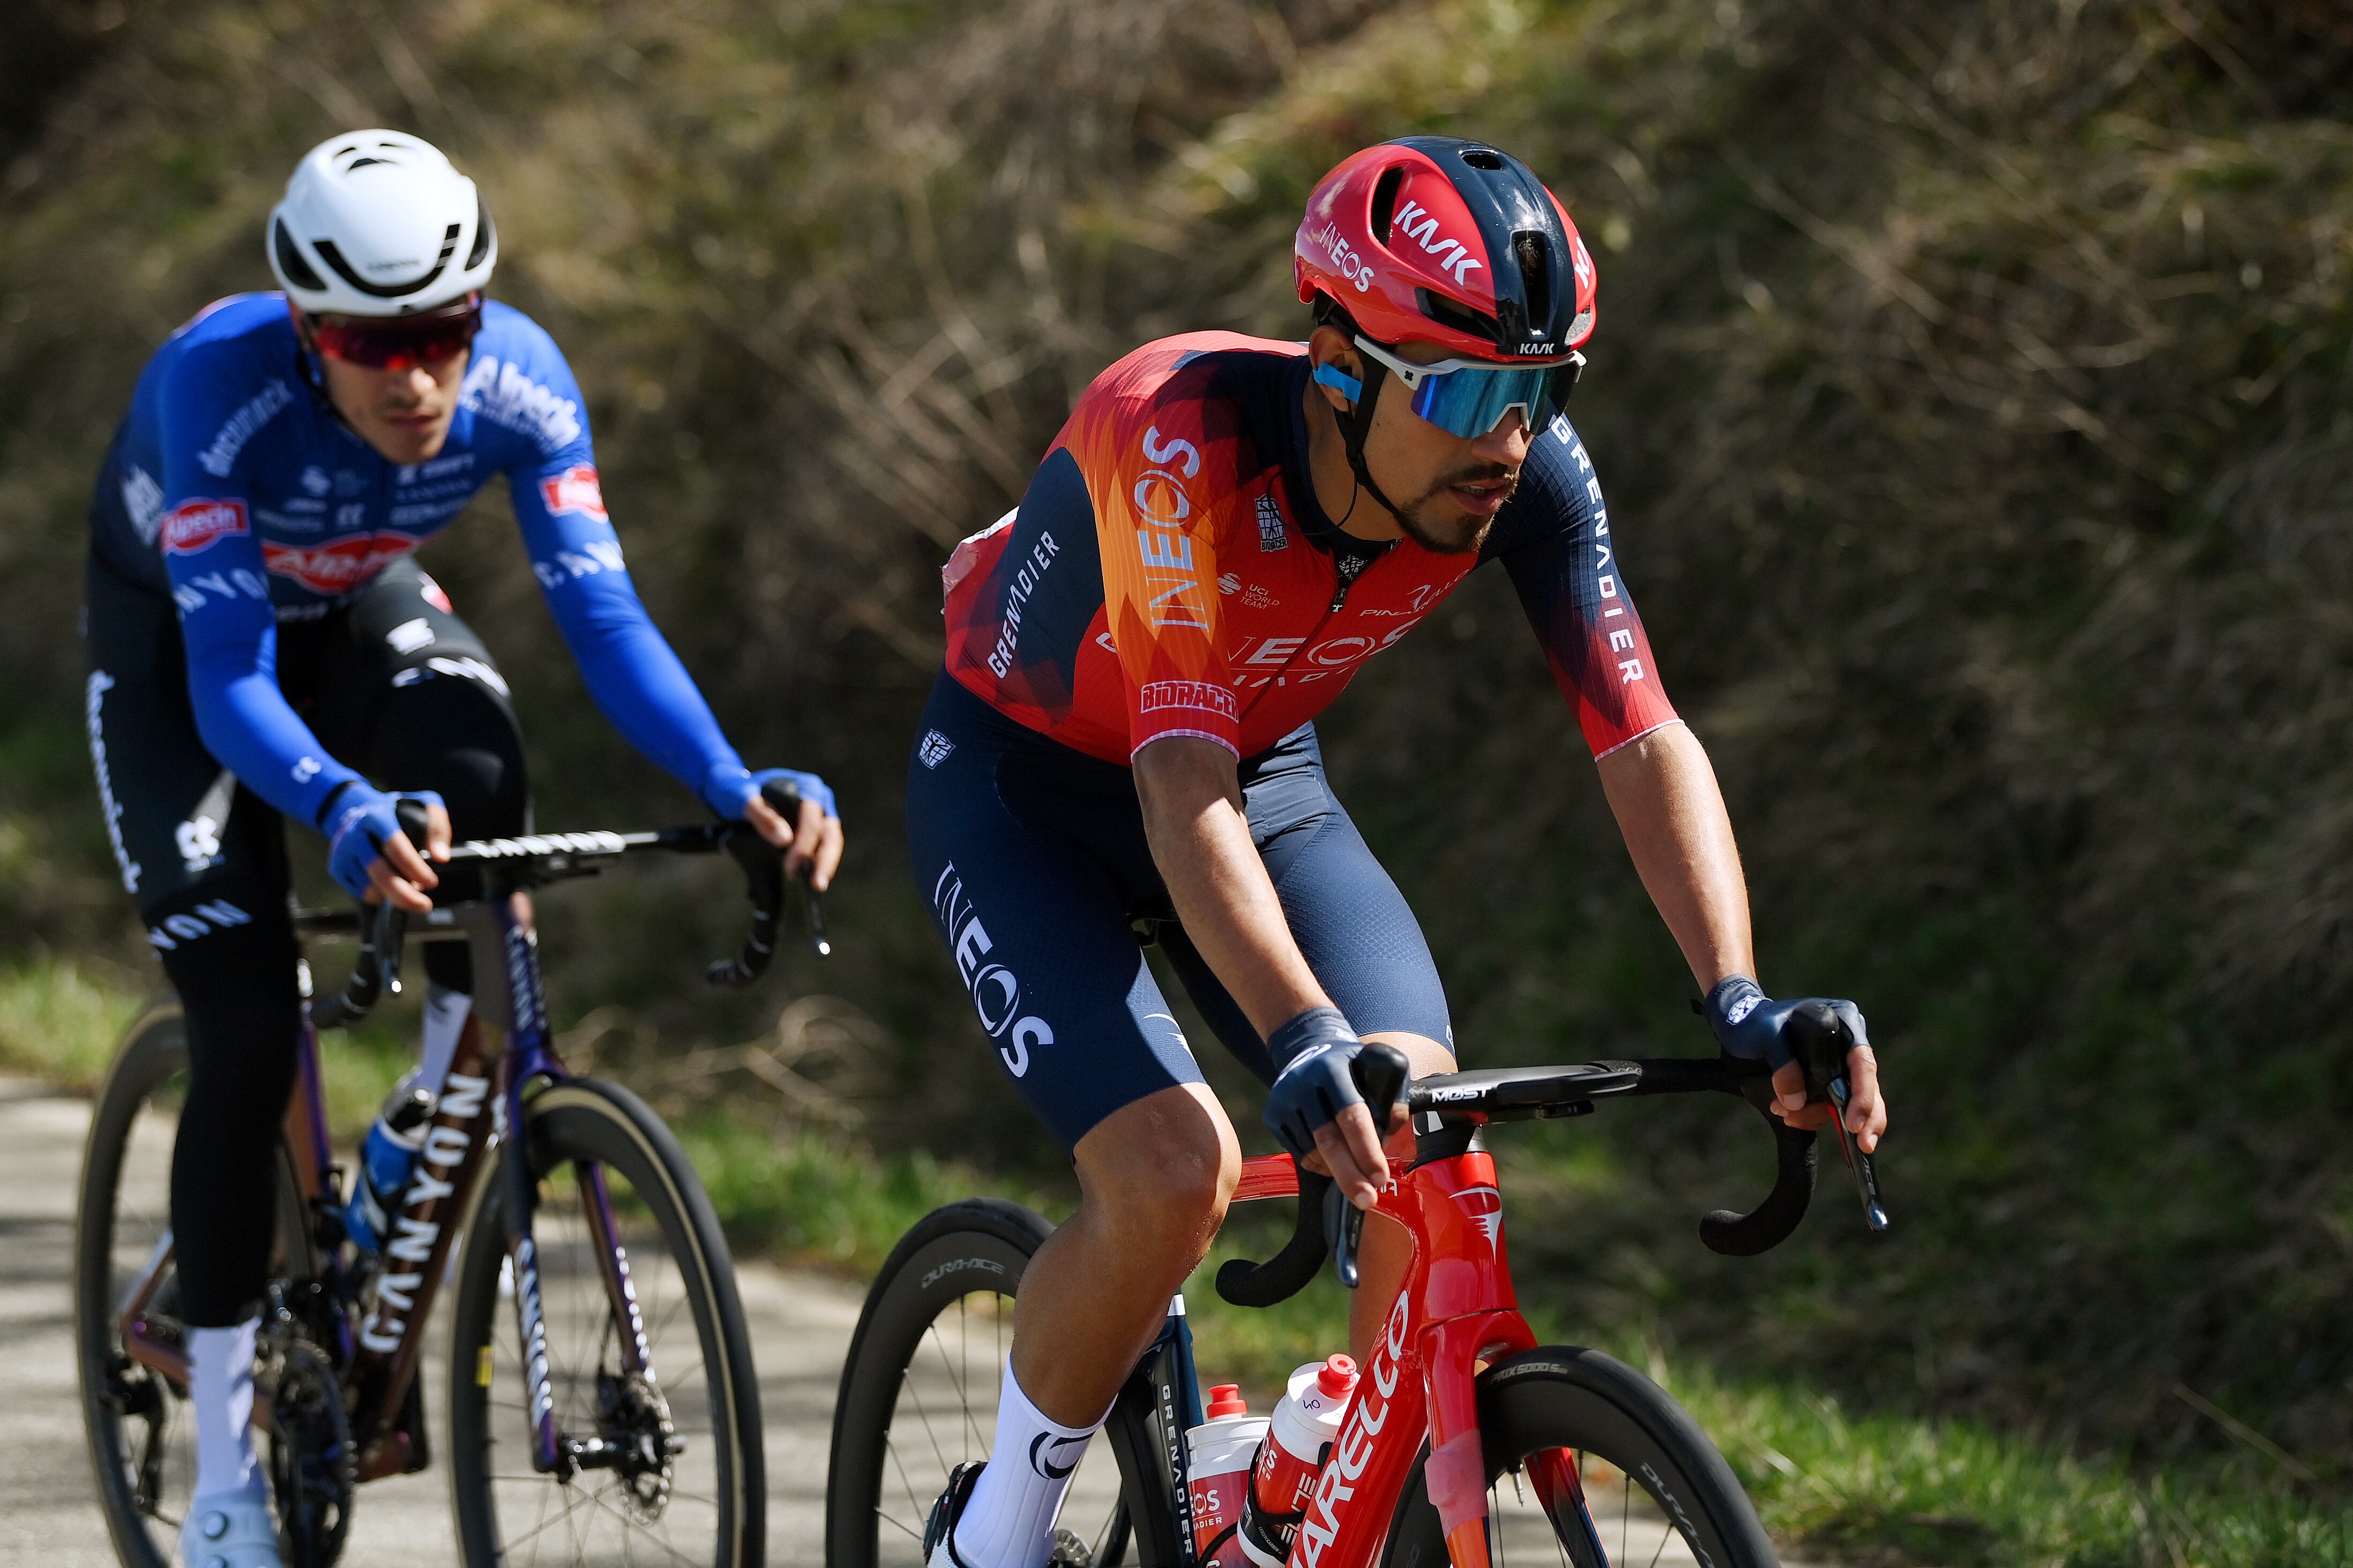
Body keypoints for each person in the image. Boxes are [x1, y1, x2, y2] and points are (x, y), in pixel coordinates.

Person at [905, 136, 1887, 1568]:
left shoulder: (1530, 478)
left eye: (1541, 392)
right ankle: (990, 1537)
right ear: (1339, 358)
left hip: (1257, 773)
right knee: (1177, 1174)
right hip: (1029, 788)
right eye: (1470, 392)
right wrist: (1296, 1029)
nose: (1507, 440)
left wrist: (1739, 998)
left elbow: (1640, 731)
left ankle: (1322, 1482)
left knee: (1420, 1115)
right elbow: (1179, 782)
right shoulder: (1174, 431)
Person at [81, 130, 844, 1568]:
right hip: (193, 644)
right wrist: (335, 805)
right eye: (376, 342)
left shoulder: (521, 384)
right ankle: (235, 1464)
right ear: (311, 333)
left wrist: (729, 778)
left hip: (361, 600)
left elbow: (604, 624)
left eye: (445, 330)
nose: (417, 375)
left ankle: (438, 1094)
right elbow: (232, 676)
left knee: (481, 778)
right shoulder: (217, 392)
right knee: (244, 1029)